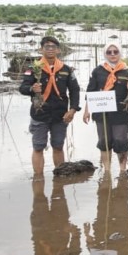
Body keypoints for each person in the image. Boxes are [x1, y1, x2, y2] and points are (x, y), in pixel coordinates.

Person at [20, 35, 81, 177]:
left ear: (59, 50)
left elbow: (75, 90)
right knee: (38, 147)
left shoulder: (66, 69)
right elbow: (23, 87)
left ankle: (60, 179)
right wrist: (31, 89)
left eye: (53, 47)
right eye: (47, 46)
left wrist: (72, 110)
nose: (50, 49)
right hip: (39, 113)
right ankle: (38, 179)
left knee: (58, 146)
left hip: (60, 115)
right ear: (41, 49)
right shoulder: (33, 68)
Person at [82, 43, 128, 171]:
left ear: (120, 53)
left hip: (121, 112)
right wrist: (86, 111)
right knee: (104, 141)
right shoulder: (98, 70)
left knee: (120, 141)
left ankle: (122, 170)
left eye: (115, 51)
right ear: (105, 54)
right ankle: (107, 171)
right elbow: (90, 91)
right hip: (101, 111)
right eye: (109, 52)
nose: (112, 54)